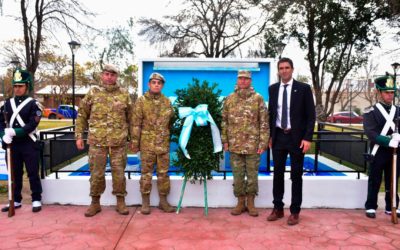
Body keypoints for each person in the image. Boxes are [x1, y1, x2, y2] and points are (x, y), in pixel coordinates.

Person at [75, 64, 132, 217]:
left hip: (118, 142)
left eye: (112, 75)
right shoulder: (93, 93)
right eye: (106, 74)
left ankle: (120, 201)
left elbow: (131, 119)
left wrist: (132, 139)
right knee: (96, 173)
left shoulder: (124, 94)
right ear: (102, 75)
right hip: (97, 142)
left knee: (119, 173)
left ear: (116, 77)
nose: (109, 77)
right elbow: (82, 116)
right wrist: (79, 135)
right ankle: (95, 202)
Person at [267, 58, 315, 225]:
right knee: (277, 175)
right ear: (278, 71)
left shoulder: (303, 88)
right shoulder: (272, 89)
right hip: (279, 137)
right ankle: (278, 208)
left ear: (292, 69)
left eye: (287, 68)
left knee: (296, 176)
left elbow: (311, 115)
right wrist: (270, 136)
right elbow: (271, 114)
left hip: (297, 139)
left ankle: (295, 211)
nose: (284, 71)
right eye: (281, 68)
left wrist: (308, 137)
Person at [221, 70, 269, 217]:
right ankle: (240, 202)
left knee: (252, 175)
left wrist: (263, 143)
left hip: (253, 146)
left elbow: (264, 122)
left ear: (250, 81)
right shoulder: (229, 99)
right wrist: (225, 141)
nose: (243, 81)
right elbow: (224, 121)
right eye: (240, 78)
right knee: (238, 175)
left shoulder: (258, 99)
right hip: (235, 145)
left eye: (246, 79)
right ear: (237, 80)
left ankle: (251, 203)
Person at [131, 72, 175, 215]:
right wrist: (135, 143)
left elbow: (171, 122)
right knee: (146, 174)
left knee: (163, 174)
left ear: (162, 85)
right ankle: (145, 202)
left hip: (163, 144)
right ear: (149, 84)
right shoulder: (141, 101)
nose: (156, 85)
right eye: (154, 82)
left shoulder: (167, 102)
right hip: (147, 144)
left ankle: (163, 201)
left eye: (159, 83)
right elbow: (136, 124)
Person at [0, 68, 43, 213]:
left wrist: (14, 131)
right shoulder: (6, 104)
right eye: (15, 86)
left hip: (28, 143)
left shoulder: (33, 104)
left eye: (21, 86)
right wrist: (3, 135)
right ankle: (16, 200)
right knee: (14, 173)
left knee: (32, 172)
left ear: (27, 86)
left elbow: (32, 124)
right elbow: (0, 123)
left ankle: (36, 198)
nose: (17, 89)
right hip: (12, 144)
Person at [363, 75, 400, 219]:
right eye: (386, 92)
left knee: (393, 179)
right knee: (375, 179)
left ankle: (392, 206)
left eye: (392, 92)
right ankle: (371, 205)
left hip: (395, 152)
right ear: (379, 92)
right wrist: (389, 140)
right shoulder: (370, 111)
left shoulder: (398, 110)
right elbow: (370, 132)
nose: (390, 95)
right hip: (378, 151)